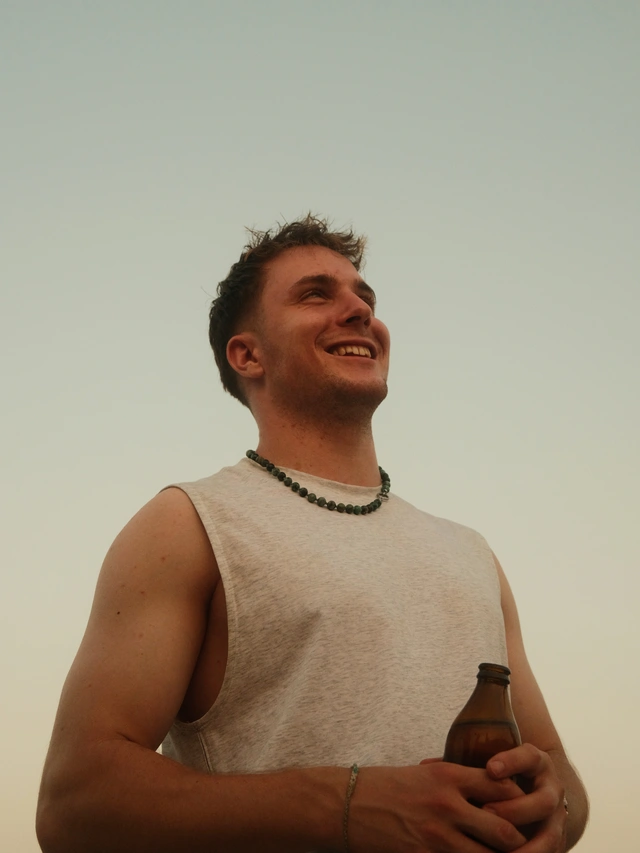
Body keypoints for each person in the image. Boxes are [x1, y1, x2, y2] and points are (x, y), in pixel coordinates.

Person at [37, 215, 589, 853]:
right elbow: (74, 804)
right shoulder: (189, 523)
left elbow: (554, 766)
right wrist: (348, 805)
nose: (360, 311)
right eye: (316, 295)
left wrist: (557, 804)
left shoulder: (472, 553)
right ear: (248, 354)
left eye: (365, 297)